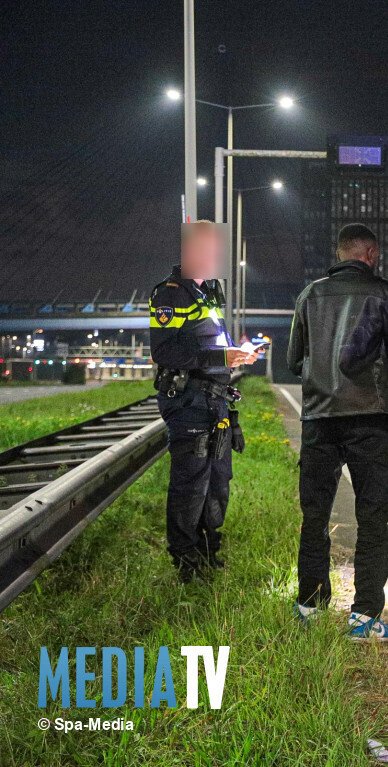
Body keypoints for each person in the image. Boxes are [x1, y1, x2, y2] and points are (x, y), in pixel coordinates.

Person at [286, 223, 388, 642]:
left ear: (340, 252)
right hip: (368, 417)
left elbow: (293, 360)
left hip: (319, 420)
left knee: (315, 515)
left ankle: (310, 606)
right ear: (371, 254)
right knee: (372, 518)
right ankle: (363, 618)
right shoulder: (380, 293)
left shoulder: (309, 294)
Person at [150, 221, 257, 583]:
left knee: (217, 482)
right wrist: (223, 358)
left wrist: (234, 356)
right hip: (189, 402)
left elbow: (212, 346)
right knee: (190, 485)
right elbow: (165, 350)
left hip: (215, 403)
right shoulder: (171, 294)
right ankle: (185, 561)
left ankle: (208, 552)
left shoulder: (207, 292)